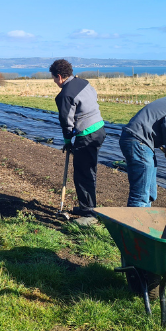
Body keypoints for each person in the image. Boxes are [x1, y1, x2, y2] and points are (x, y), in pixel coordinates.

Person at [49, 59, 106, 216]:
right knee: (88, 170)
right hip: (99, 129)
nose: (54, 81)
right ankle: (87, 207)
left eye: (54, 78)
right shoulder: (84, 83)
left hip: (87, 135)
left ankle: (88, 213)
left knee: (83, 174)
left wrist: (67, 140)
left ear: (59, 76)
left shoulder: (64, 95)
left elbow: (66, 122)